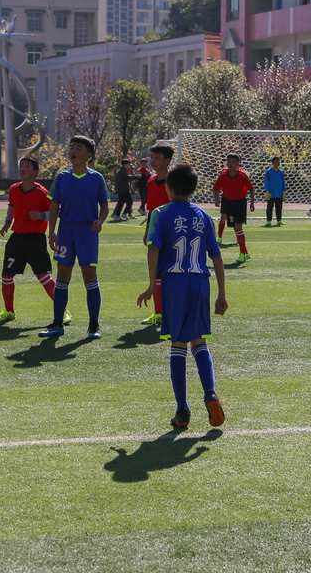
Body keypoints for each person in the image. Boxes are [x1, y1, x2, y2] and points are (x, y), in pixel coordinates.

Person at [136, 165, 228, 429]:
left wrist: (151, 285)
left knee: (178, 345)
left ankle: (182, 409)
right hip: (200, 283)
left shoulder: (160, 214)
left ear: (168, 187)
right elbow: (217, 256)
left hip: (175, 285)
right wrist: (222, 293)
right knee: (199, 342)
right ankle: (210, 394)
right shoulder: (204, 216)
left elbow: (153, 249)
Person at [41, 135, 110, 339]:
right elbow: (54, 206)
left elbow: (105, 206)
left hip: (87, 233)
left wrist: (100, 221)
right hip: (66, 232)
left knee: (90, 276)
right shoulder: (62, 177)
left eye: (79, 148)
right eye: (72, 147)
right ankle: (57, 324)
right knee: (62, 277)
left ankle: (93, 326)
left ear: (89, 154)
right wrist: (51, 231)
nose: (73, 151)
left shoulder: (96, 178)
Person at [0, 156, 61, 323]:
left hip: (35, 240)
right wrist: (7, 222)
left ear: (35, 171)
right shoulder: (14, 189)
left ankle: (63, 310)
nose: (22, 168)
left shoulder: (42, 193)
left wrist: (40, 215)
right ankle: (9, 311)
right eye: (21, 165)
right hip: (16, 239)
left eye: (26, 166)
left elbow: (55, 212)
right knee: (6, 276)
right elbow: (11, 206)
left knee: (43, 276)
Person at [140, 142, 174, 328]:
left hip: (171, 231)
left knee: (171, 273)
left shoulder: (173, 181)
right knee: (156, 273)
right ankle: (159, 313)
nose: (153, 161)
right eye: (152, 157)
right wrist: (147, 231)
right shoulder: (151, 180)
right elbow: (151, 209)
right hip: (155, 229)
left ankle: (172, 312)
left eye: (157, 158)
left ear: (167, 160)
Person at [212, 152, 255, 264]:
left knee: (238, 227)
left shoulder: (242, 176)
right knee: (225, 220)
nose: (230, 164)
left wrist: (252, 203)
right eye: (229, 162)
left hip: (240, 203)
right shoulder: (223, 175)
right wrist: (216, 200)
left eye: (233, 162)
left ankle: (242, 253)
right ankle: (244, 252)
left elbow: (251, 189)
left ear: (238, 164)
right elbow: (215, 188)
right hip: (227, 201)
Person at [263, 156, 286, 226]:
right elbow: (266, 181)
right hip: (271, 193)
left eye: (278, 161)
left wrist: (284, 191)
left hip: (279, 193)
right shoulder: (268, 172)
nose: (278, 163)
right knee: (269, 207)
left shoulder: (281, 172)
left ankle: (279, 221)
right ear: (272, 163)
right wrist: (267, 191)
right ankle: (268, 221)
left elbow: (283, 182)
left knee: (279, 207)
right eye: (276, 161)